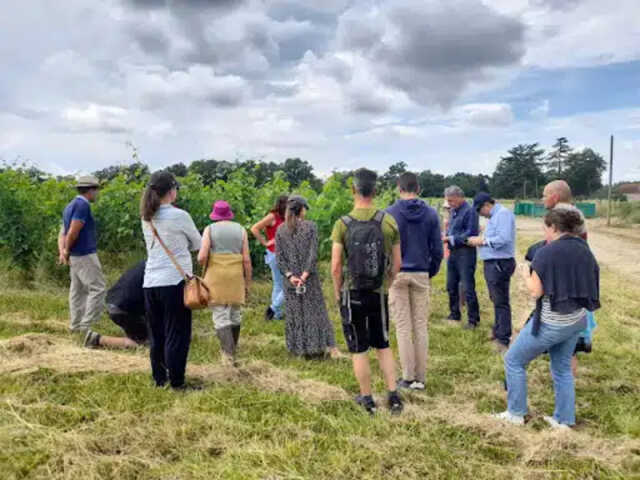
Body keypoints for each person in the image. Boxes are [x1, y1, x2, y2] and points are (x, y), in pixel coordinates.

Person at [494, 208, 600, 429]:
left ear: (553, 227)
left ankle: (515, 413)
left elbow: (536, 291)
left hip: (553, 321)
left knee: (513, 360)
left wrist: (525, 274)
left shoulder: (547, 252)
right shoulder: (584, 249)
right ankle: (564, 420)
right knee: (562, 368)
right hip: (577, 320)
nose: (544, 232)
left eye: (545, 227)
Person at [331, 168, 404, 415]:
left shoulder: (342, 224)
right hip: (378, 292)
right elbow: (397, 264)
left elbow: (336, 266)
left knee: (358, 348)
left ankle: (367, 398)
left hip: (352, 294)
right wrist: (387, 284)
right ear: (375, 191)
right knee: (383, 344)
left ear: (353, 190)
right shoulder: (388, 221)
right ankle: (393, 395)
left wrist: (337, 292)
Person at [141, 171, 202, 390]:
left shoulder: (147, 217)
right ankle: (177, 382)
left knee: (157, 333)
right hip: (174, 281)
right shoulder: (179, 216)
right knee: (177, 333)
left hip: (150, 282)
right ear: (171, 190)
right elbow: (198, 244)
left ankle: (159, 379)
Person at [386, 172, 443, 390]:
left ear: (399, 189)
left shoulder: (389, 214)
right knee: (420, 326)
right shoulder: (430, 214)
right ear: (418, 189)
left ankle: (407, 377)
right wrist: (430, 271)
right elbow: (437, 250)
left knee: (402, 326)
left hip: (398, 274)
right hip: (421, 272)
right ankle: (420, 377)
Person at [276, 195, 341, 359]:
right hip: (309, 278)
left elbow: (279, 257)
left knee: (295, 312)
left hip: (290, 280)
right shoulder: (310, 227)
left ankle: (298, 349)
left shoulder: (280, 230)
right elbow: (313, 254)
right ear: (301, 209)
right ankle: (321, 347)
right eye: (305, 208)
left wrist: (291, 276)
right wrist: (304, 275)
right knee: (316, 311)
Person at [540, 179, 592, 375]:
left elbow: (558, 249)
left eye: (545, 195)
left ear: (554, 196)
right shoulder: (574, 212)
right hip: (574, 279)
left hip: (565, 282)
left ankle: (565, 376)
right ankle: (565, 375)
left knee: (568, 331)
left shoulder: (562, 215)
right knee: (571, 333)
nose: (543, 199)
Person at [198, 200, 252, 366]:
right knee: (235, 313)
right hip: (235, 275)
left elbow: (202, 257)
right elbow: (247, 260)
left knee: (220, 314)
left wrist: (203, 264)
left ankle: (228, 356)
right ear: (229, 214)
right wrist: (247, 283)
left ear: (215, 215)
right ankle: (232, 349)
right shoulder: (241, 230)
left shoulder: (210, 229)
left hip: (216, 275)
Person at [58, 175, 107, 340]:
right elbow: (73, 231)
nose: (97, 194)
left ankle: (76, 326)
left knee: (77, 290)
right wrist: (66, 250)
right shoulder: (82, 206)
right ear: (91, 190)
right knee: (98, 288)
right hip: (84, 254)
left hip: (74, 255)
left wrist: (63, 251)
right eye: (96, 190)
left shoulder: (70, 206)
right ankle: (87, 327)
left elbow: (62, 232)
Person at [467, 193, 516, 353]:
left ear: (487, 205)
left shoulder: (503, 215)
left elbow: (504, 238)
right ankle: (498, 330)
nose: (480, 213)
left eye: (480, 209)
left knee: (501, 300)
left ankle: (503, 338)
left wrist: (482, 241)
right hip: (494, 262)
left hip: (499, 263)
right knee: (496, 298)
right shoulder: (495, 217)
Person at [84, 261, 148, 349]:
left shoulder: (146, 264)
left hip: (114, 303)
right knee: (149, 343)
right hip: (124, 310)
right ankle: (97, 339)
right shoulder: (159, 272)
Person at [442, 186, 480, 329]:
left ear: (459, 197)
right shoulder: (453, 211)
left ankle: (473, 319)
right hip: (454, 253)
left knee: (467, 286)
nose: (449, 203)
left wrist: (450, 238)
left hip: (466, 253)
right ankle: (454, 313)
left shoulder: (470, 211)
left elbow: (471, 233)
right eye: (448, 201)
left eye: (451, 200)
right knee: (451, 284)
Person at [251, 196, 288, 321]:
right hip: (275, 253)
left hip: (283, 253)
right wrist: (265, 242)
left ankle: (275, 314)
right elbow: (254, 228)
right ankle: (273, 309)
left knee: (278, 284)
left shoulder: (285, 217)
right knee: (286, 284)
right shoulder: (273, 216)